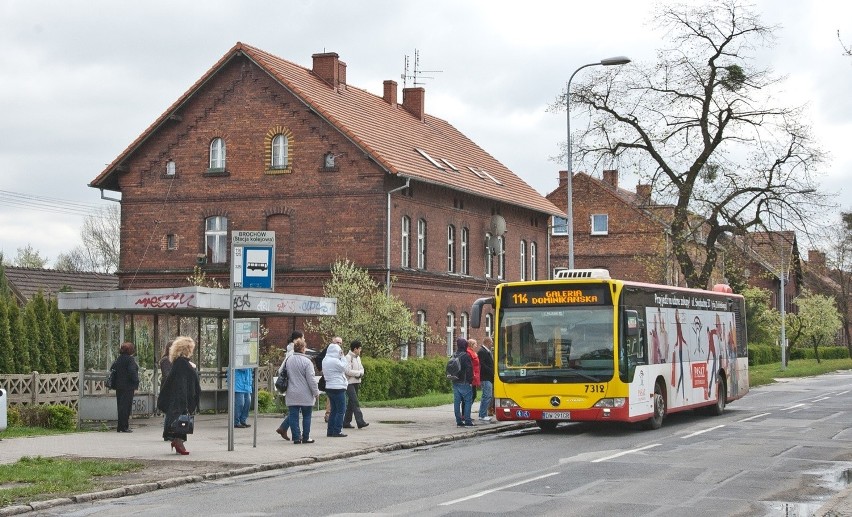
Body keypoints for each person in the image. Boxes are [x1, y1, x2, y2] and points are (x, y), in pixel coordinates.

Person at [157, 336, 201, 455]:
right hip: (181, 399)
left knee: (180, 422)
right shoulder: (182, 363)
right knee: (181, 421)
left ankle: (178, 442)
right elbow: (183, 383)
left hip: (178, 398)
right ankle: (178, 442)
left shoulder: (179, 362)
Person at [279, 337, 320, 444]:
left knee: (293, 416)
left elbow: (282, 372)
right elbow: (311, 379)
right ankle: (306, 437)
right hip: (305, 393)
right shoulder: (307, 362)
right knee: (307, 416)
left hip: (291, 392)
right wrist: (316, 392)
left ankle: (296, 437)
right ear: (303, 348)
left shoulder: (289, 360)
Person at [110, 342, 140, 433]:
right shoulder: (130, 360)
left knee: (120, 406)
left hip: (119, 386)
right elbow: (132, 371)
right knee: (126, 407)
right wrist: (136, 380)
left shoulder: (119, 359)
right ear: (130, 350)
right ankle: (124, 427)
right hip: (128, 386)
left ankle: (120, 427)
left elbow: (112, 368)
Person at [322, 340, 349, 437]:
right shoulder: (336, 361)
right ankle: (337, 430)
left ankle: (330, 431)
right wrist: (343, 356)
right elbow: (344, 367)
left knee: (333, 410)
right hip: (338, 387)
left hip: (329, 387)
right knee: (341, 410)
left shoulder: (325, 360)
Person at [343, 340, 368, 430]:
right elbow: (348, 371)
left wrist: (360, 373)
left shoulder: (358, 358)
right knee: (355, 402)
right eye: (359, 348)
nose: (360, 350)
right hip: (349, 383)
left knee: (351, 403)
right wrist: (358, 373)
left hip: (357, 382)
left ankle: (346, 422)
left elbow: (362, 368)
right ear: (355, 349)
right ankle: (360, 421)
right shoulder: (348, 357)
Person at [451, 337, 475, 427]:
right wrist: (470, 380)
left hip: (455, 381)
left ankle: (459, 421)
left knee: (457, 402)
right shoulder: (465, 356)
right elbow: (469, 369)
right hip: (464, 382)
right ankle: (468, 420)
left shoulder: (454, 355)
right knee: (468, 401)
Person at [319, 336, 342, 423]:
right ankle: (328, 414)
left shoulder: (339, 352)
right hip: (330, 378)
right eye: (337, 342)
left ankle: (331, 415)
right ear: (333, 342)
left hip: (338, 379)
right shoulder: (328, 351)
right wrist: (321, 370)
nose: (339, 344)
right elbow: (318, 358)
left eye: (340, 343)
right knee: (330, 397)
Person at [477, 336, 495, 422]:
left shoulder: (486, 351)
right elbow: (482, 365)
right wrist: (491, 371)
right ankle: (482, 414)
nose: (492, 344)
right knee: (487, 396)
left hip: (488, 377)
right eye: (491, 343)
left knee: (488, 396)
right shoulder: (482, 352)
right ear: (487, 343)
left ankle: (483, 414)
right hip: (485, 377)